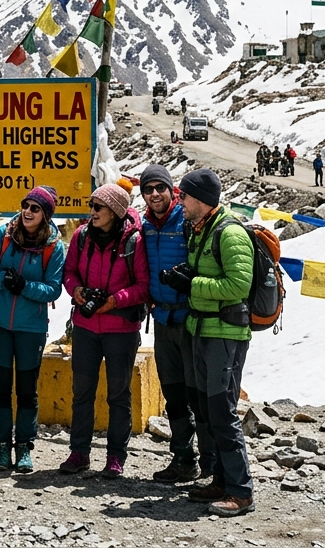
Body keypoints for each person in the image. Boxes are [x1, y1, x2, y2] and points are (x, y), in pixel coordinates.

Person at [159, 169, 255, 517]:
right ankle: (220, 479)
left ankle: (241, 491)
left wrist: (192, 285)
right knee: (209, 412)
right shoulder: (204, 230)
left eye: (183, 196)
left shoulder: (229, 234)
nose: (179, 202)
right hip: (203, 330)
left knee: (222, 413)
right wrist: (185, 275)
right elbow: (211, 274)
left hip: (225, 335)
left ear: (200, 199)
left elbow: (237, 287)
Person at [61, 184, 151, 478]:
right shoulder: (81, 236)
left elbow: (142, 286)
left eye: (98, 207)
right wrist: (78, 292)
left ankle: (115, 457)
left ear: (115, 211)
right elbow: (69, 272)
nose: (92, 212)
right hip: (86, 326)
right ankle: (79, 452)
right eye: (92, 205)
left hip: (120, 328)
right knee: (82, 392)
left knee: (118, 395)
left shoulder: (133, 242)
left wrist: (113, 301)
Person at [0, 186, 66, 474]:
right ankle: (1, 447)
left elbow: (53, 290)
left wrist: (24, 287)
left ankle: (24, 447)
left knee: (27, 390)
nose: (27, 211)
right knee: (0, 388)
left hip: (31, 328)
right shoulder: (3, 234)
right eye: (26, 205)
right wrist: (3, 279)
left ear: (45, 214)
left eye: (35, 208)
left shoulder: (54, 246)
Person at [139, 164, 214, 483]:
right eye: (148, 189)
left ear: (173, 191)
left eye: (160, 188)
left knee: (198, 395)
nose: (155, 194)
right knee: (173, 394)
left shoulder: (186, 221)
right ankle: (184, 459)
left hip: (191, 319)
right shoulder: (143, 225)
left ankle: (211, 463)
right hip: (161, 318)